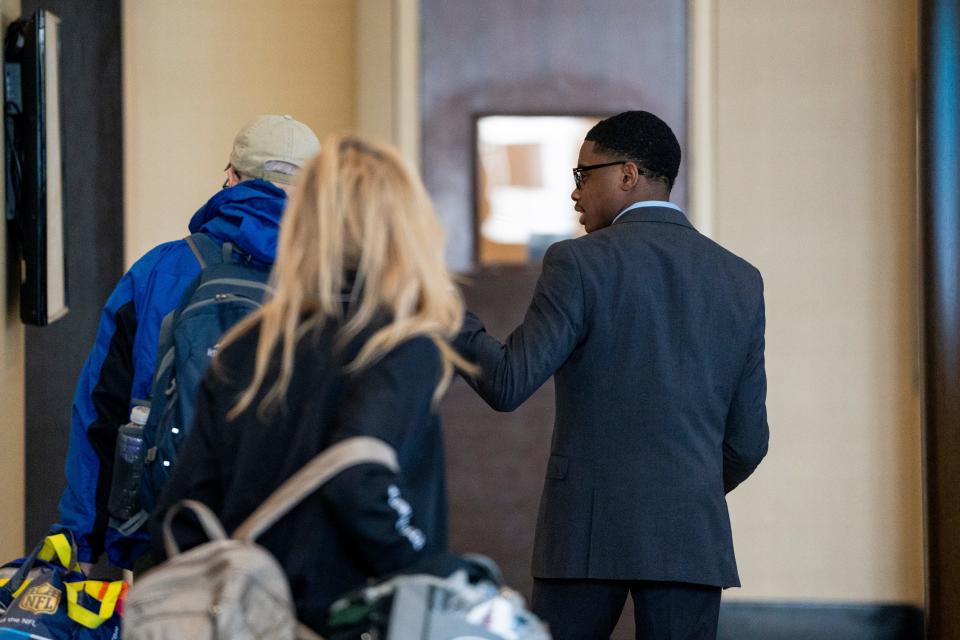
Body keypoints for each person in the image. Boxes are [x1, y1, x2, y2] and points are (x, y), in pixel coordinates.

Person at [454, 110, 769, 639]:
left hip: (585, 535)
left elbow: (507, 382)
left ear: (628, 175)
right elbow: (748, 442)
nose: (574, 194)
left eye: (583, 175)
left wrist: (438, 312)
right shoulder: (740, 279)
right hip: (689, 538)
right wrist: (684, 490)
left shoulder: (580, 262)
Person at [153, 134, 475, 632]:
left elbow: (188, 504)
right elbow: (361, 476)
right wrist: (427, 569)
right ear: (406, 227)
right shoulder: (399, 344)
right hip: (354, 617)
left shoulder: (250, 345)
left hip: (252, 618)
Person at [57, 115, 320, 572]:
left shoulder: (157, 271)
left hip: (161, 535)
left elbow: (100, 413)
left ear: (230, 180)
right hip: (291, 544)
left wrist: (80, 545)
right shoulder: (338, 281)